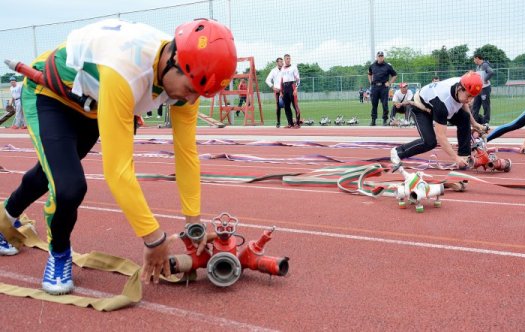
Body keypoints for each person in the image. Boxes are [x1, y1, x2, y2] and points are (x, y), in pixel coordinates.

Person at [0, 18, 236, 295]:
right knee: (69, 187)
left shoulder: (186, 82)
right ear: (173, 58)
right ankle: (60, 253)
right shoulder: (127, 70)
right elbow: (118, 171)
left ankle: (4, 220)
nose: (192, 100)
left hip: (92, 103)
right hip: (51, 93)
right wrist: (153, 238)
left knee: (51, 171)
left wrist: (193, 221)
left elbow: (186, 154)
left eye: (201, 94)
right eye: (191, 89)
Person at [390, 72, 485, 169]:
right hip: (420, 108)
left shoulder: (462, 83)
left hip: (435, 104)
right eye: (469, 96)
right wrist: (455, 158)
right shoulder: (442, 104)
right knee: (430, 142)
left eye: (473, 97)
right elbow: (441, 137)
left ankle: (464, 157)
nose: (470, 101)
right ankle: (398, 152)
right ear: (460, 89)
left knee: (465, 118)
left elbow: (464, 105)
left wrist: (474, 124)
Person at [368, 51, 397, 126]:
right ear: (376, 57)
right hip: (374, 87)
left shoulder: (388, 66)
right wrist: (370, 81)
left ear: (383, 57)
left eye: (382, 56)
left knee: (385, 104)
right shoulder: (372, 66)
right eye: (379, 56)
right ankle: (373, 121)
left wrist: (389, 83)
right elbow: (369, 74)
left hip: (384, 87)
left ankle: (384, 120)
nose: (380, 57)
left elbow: (394, 75)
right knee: (374, 104)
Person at [471, 54, 494, 125]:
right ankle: (474, 122)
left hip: (485, 88)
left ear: (477, 58)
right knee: (475, 105)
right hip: (478, 89)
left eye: (474, 59)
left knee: (485, 105)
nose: (473, 61)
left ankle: (486, 122)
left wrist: (485, 79)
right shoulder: (478, 67)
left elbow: (491, 72)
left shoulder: (485, 65)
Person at [280, 54, 301, 128]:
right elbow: (281, 80)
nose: (288, 60)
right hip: (285, 87)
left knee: (295, 105)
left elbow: (298, 79)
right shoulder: (282, 68)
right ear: (284, 60)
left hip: (292, 86)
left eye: (289, 58)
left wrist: (295, 88)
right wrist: (281, 91)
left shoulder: (294, 67)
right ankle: (290, 123)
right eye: (287, 59)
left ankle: (298, 124)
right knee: (286, 106)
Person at [265, 57, 284, 128]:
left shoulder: (285, 69)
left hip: (285, 90)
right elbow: (267, 80)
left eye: (282, 62)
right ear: (277, 63)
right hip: (277, 91)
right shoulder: (273, 71)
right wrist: (273, 87)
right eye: (280, 62)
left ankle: (290, 122)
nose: (282, 63)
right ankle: (278, 122)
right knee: (278, 107)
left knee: (287, 106)